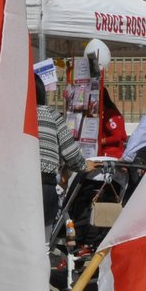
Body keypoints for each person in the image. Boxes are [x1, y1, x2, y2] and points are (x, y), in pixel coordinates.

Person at [36, 75, 86, 227]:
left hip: (15, 185)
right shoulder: (52, 116)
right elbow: (71, 155)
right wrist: (82, 165)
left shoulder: (12, 116)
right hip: (43, 187)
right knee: (42, 241)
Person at [99, 85, 127, 159]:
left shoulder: (110, 114)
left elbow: (117, 137)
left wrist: (101, 141)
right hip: (112, 154)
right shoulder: (109, 112)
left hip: (111, 155)